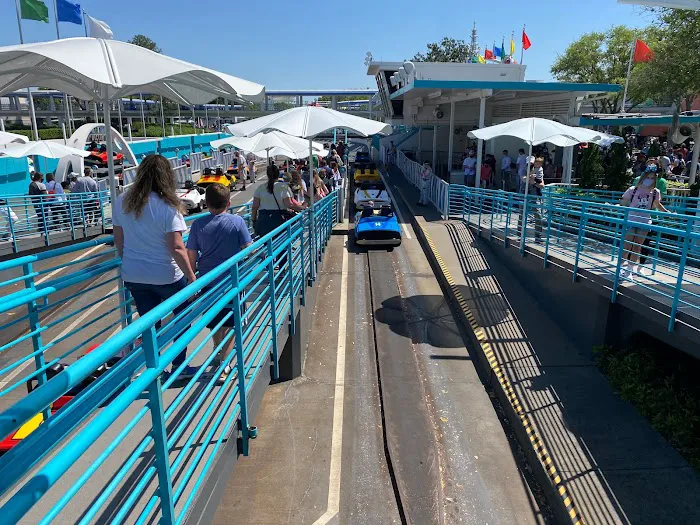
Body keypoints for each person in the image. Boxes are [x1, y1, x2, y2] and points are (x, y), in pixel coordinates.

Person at [112, 154, 198, 379]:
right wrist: (192, 277)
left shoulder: (122, 201)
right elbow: (177, 248)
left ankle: (154, 368)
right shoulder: (167, 206)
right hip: (166, 275)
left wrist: (129, 261)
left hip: (134, 275)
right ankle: (179, 367)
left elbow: (119, 241)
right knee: (183, 318)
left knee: (149, 323)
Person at [186, 183, 252, 380]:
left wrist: (193, 278)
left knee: (216, 321)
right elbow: (248, 248)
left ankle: (218, 350)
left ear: (206, 203)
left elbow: (191, 254)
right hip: (231, 280)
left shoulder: (198, 225)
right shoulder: (237, 222)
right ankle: (225, 363)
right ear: (229, 203)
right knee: (233, 322)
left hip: (207, 280)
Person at [619, 159, 671, 279]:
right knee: (627, 245)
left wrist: (667, 212)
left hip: (644, 221)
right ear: (644, 177)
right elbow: (624, 201)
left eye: (653, 178)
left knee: (637, 246)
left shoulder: (655, 192)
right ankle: (621, 267)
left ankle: (629, 270)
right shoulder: (633, 189)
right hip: (632, 220)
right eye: (649, 177)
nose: (650, 179)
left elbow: (657, 204)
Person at [252, 164, 305, 237]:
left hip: (263, 220)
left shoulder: (260, 188)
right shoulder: (283, 187)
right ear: (278, 175)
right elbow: (289, 204)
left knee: (266, 243)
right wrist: (302, 207)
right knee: (280, 241)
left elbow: (255, 206)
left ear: (267, 175)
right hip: (278, 219)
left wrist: (254, 220)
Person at [518, 157, 544, 243]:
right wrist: (530, 177)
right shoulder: (522, 169)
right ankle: (520, 234)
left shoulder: (538, 170)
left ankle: (538, 235)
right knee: (522, 214)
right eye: (528, 163)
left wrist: (535, 182)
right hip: (524, 194)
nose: (530, 165)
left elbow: (542, 185)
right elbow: (524, 179)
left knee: (537, 214)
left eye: (532, 163)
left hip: (534, 195)